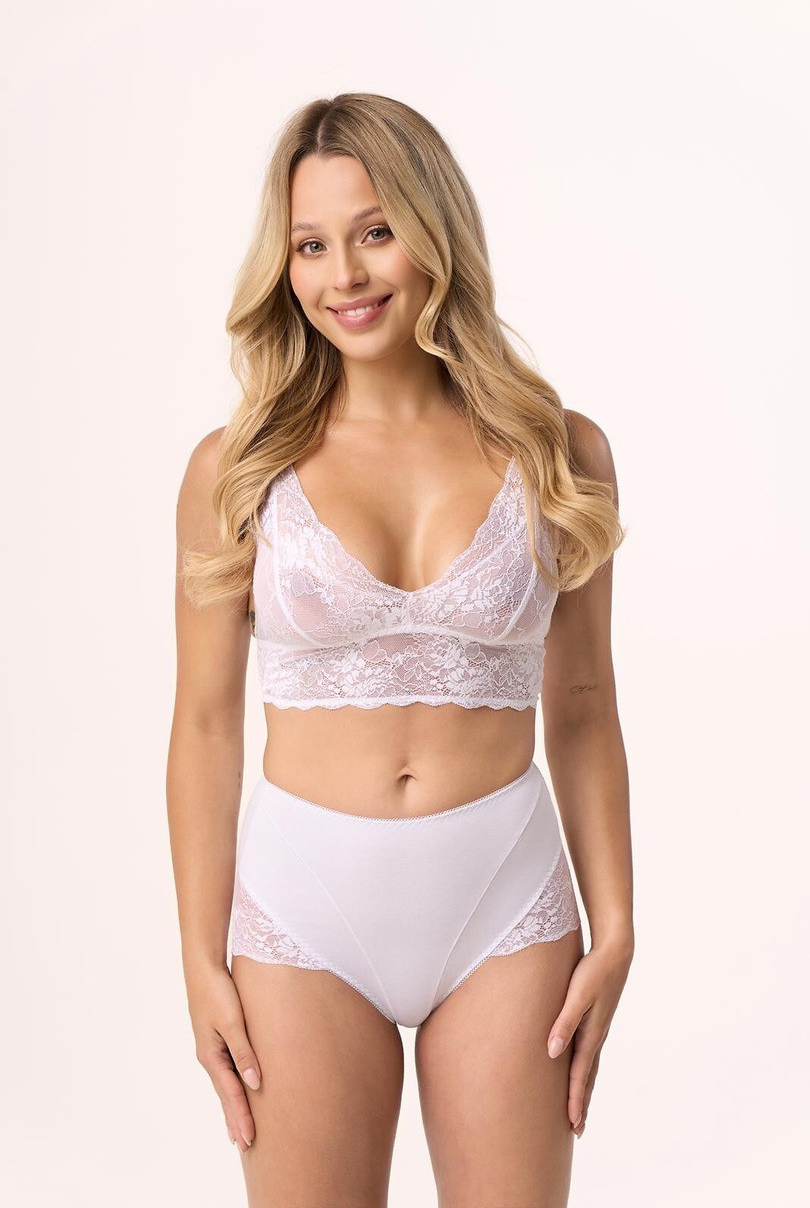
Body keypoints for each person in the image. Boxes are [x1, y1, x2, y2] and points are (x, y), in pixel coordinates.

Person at [168, 92, 633, 1208]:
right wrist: (198, 960)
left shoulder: (558, 451)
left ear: (434, 230)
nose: (345, 275)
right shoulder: (236, 470)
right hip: (302, 911)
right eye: (310, 245)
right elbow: (206, 724)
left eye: (375, 231)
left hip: (507, 900)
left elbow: (580, 699)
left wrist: (617, 922)